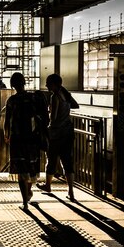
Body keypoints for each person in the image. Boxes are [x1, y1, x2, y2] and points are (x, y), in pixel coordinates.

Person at [3, 72, 45, 211]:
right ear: (24, 82)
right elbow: (41, 116)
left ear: (12, 85)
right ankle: (28, 192)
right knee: (31, 166)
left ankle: (25, 202)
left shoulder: (11, 101)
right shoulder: (33, 97)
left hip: (17, 138)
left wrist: (6, 135)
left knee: (21, 169)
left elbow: (7, 121)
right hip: (32, 138)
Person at [36, 73, 80, 201]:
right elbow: (76, 105)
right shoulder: (65, 95)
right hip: (67, 132)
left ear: (54, 84)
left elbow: (53, 118)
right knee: (67, 161)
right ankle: (71, 191)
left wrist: (46, 119)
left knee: (51, 159)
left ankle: (48, 186)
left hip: (56, 134)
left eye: (48, 83)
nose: (46, 85)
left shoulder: (55, 97)